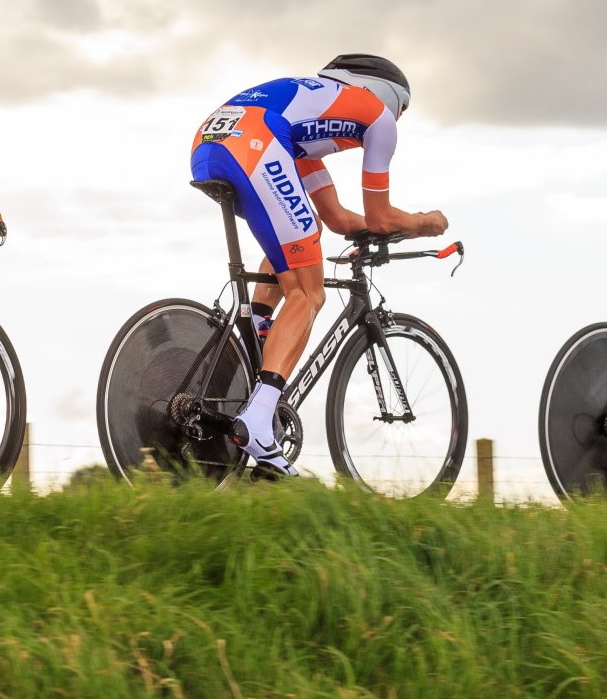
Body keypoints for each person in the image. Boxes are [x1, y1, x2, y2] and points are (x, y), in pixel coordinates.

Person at [187, 55, 447, 476]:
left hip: (212, 143)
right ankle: (257, 422)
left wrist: (382, 230)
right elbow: (380, 217)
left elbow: (340, 219)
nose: (398, 119)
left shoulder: (306, 124)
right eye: (403, 111)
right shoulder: (379, 116)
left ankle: (254, 343)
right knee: (308, 292)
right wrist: (422, 223)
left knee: (295, 246)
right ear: (389, 95)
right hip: (255, 144)